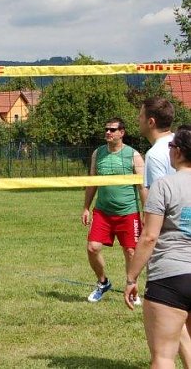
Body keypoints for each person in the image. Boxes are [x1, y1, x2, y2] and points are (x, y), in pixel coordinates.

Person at [125, 126, 191, 368]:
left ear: (178, 151)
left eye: (171, 146)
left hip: (170, 276)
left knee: (163, 357)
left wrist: (131, 278)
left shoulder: (164, 185)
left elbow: (149, 237)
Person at [82, 117, 145, 302]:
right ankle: (103, 282)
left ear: (122, 133)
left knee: (131, 252)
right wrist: (86, 208)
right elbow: (92, 182)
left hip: (128, 212)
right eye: (106, 129)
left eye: (112, 130)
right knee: (92, 248)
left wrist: (146, 213)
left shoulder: (133, 155)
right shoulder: (98, 153)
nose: (108, 132)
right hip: (103, 212)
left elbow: (142, 187)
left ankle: (132, 289)